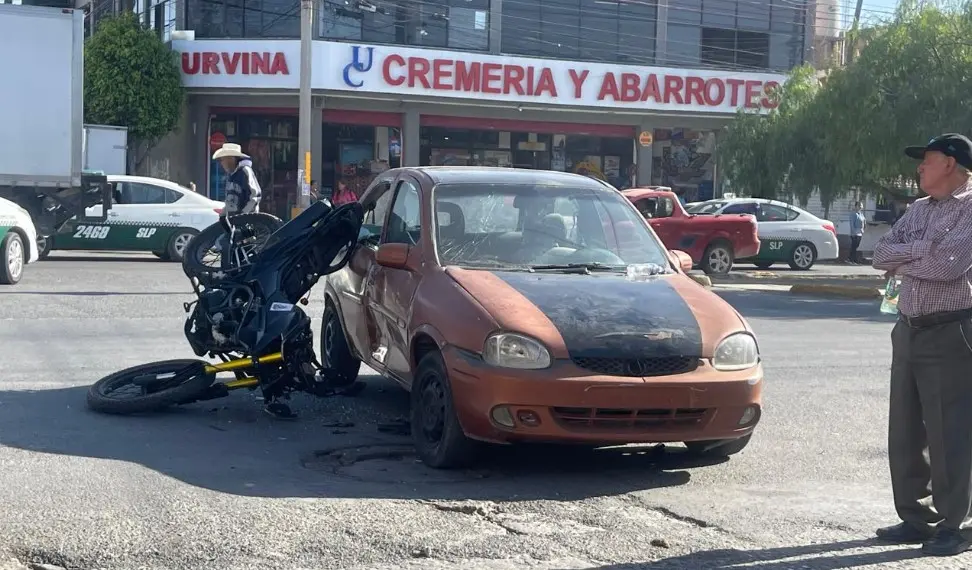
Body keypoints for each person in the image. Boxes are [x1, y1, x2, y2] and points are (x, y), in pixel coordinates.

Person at [872, 133, 972, 557]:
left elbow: (948, 266)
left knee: (950, 431)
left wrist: (908, 257)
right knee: (906, 427)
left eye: (926, 160)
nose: (919, 168)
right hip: (908, 327)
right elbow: (878, 254)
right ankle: (916, 517)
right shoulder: (918, 210)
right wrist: (921, 248)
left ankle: (958, 524)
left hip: (951, 330)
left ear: (950, 163)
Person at [211, 143, 262, 269]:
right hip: (233, 220)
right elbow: (231, 200)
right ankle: (232, 275)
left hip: (246, 220)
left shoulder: (245, 172)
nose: (221, 163)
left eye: (223, 160)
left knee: (244, 251)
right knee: (230, 249)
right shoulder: (231, 176)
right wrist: (224, 213)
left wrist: (245, 215)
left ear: (231, 159)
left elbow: (255, 195)